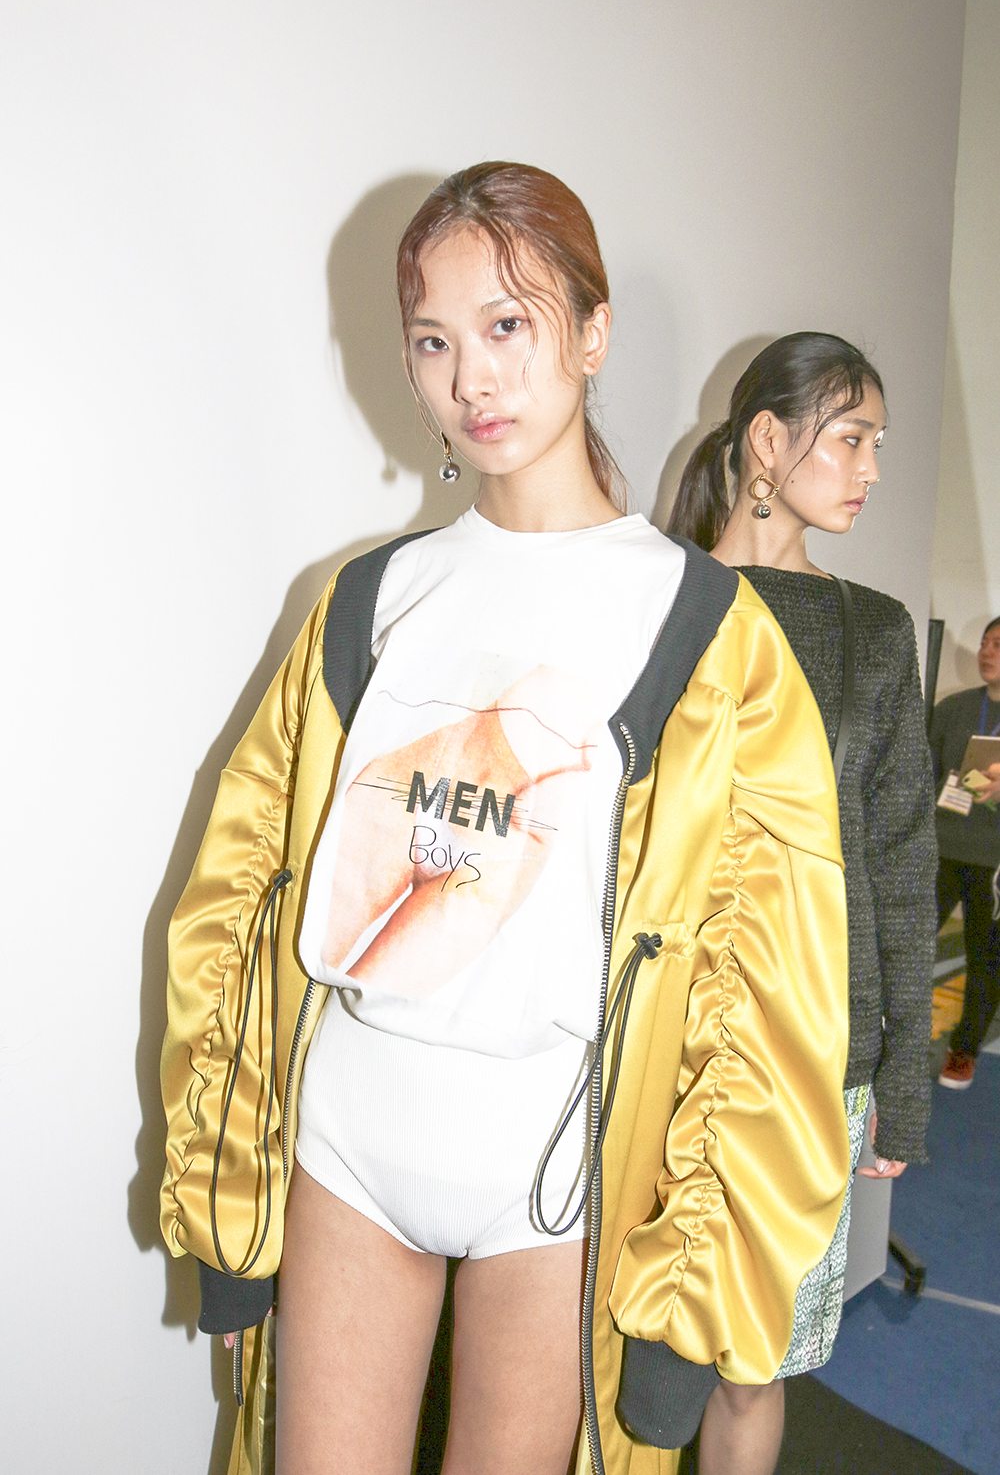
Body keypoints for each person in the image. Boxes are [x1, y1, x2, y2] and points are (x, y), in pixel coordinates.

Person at [160, 168, 852, 1475]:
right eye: (433, 340)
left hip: (554, 1167)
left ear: (592, 334)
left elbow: (768, 991)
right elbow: (239, 893)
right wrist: (226, 1202)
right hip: (351, 1133)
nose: (471, 377)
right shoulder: (366, 599)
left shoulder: (708, 635)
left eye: (508, 325)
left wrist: (695, 1304)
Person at [669, 330, 938, 1474]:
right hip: (658, 1044)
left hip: (816, 1064)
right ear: (767, 442)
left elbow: (901, 865)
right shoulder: (658, 600)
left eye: (878, 443)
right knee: (613, 1344)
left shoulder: (875, 631)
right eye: (851, 438)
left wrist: (903, 1081)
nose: (871, 469)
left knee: (756, 1365)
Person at [931, 616, 1000, 1089]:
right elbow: (925, 773)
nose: (986, 652)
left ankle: (964, 1051)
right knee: (909, 942)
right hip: (941, 849)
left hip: (992, 861)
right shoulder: (954, 709)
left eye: (998, 644)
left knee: (985, 960)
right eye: (984, 643)